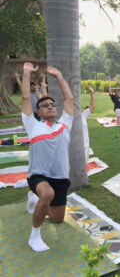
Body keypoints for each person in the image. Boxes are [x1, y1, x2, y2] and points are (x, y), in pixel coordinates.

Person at [21, 62, 74, 252]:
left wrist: (59, 76)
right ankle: (34, 236)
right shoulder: (33, 125)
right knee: (47, 193)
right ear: (38, 112)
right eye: (45, 105)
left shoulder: (64, 124)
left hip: (60, 177)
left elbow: (69, 99)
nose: (51, 107)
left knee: (58, 218)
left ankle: (35, 200)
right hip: (38, 174)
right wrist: (27, 73)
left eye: (52, 105)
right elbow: (26, 98)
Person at [82, 85, 95, 162]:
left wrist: (92, 94)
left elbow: (92, 106)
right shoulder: (66, 117)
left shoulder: (83, 115)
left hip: (85, 145)